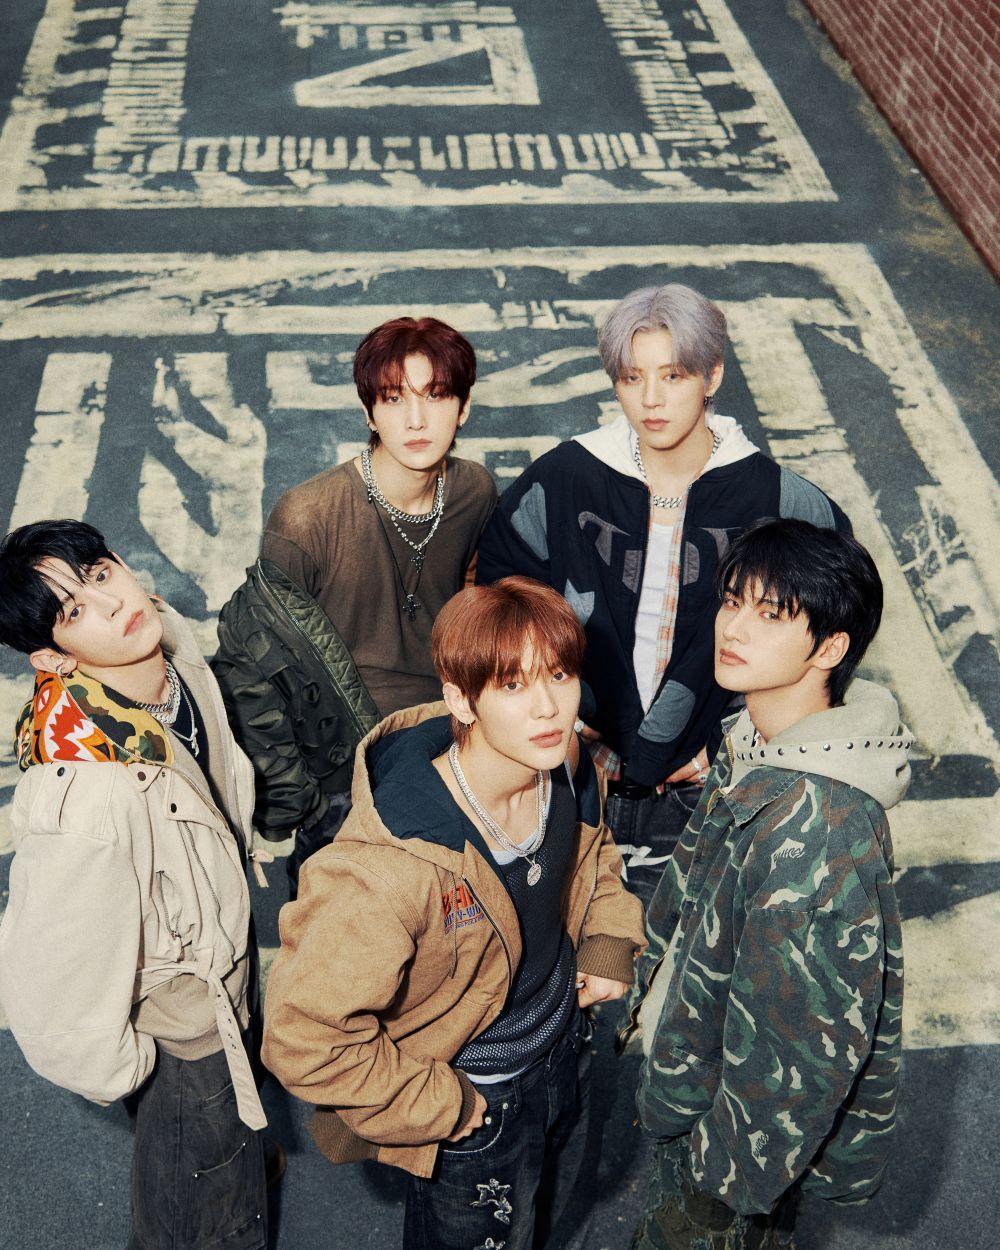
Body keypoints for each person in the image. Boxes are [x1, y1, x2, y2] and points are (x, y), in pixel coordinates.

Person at [262, 576, 645, 1250]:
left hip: (564, 1044)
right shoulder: (386, 871)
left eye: (559, 675)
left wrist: (608, 939)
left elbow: (593, 853)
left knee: (546, 1215)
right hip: (476, 1098)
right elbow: (302, 1038)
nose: (548, 707)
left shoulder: (564, 761)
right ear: (461, 700)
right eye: (512, 685)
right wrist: (447, 1105)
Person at [476, 284, 851, 905]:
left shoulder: (781, 499)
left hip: (715, 787)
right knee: (555, 948)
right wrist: (554, 721)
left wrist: (731, 747)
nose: (650, 400)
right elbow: (500, 603)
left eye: (673, 376)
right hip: (570, 774)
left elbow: (831, 641)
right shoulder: (565, 477)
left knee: (688, 955)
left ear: (712, 376)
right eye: (632, 377)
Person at [622, 518, 910, 1249]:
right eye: (733, 601)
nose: (734, 627)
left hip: (728, 1161)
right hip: (702, 1085)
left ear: (831, 648)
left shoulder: (814, 831)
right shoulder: (756, 742)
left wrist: (718, 1189)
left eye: (772, 614)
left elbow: (798, 1064)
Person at [0, 519, 268, 1250]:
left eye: (99, 574)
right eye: (74, 610)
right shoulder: (84, 794)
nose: (112, 602)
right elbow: (48, 988)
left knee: (228, 1167)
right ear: (53, 656)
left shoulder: (165, 647)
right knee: (193, 1209)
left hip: (222, 963)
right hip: (184, 1034)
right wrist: (136, 1069)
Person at [214, 315, 497, 895]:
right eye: (393, 399)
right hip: (343, 762)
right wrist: (298, 795)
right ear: (369, 413)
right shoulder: (306, 517)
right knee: (339, 925)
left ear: (464, 407)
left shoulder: (475, 491)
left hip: (450, 742)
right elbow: (251, 667)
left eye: (435, 395)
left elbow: (479, 607)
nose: (415, 420)